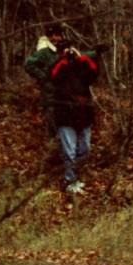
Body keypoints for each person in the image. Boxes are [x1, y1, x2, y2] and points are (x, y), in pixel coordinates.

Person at [51, 41, 98, 194]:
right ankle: (70, 180)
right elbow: (53, 77)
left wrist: (81, 58)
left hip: (83, 112)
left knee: (85, 148)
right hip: (65, 113)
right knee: (69, 150)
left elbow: (94, 73)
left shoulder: (81, 64)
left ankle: (78, 177)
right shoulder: (58, 64)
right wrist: (63, 59)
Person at [25, 23, 67, 137]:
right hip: (50, 95)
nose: (56, 38)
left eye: (58, 35)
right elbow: (29, 65)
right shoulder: (44, 51)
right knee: (52, 123)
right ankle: (52, 147)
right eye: (53, 35)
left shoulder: (62, 50)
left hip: (63, 94)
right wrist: (43, 77)